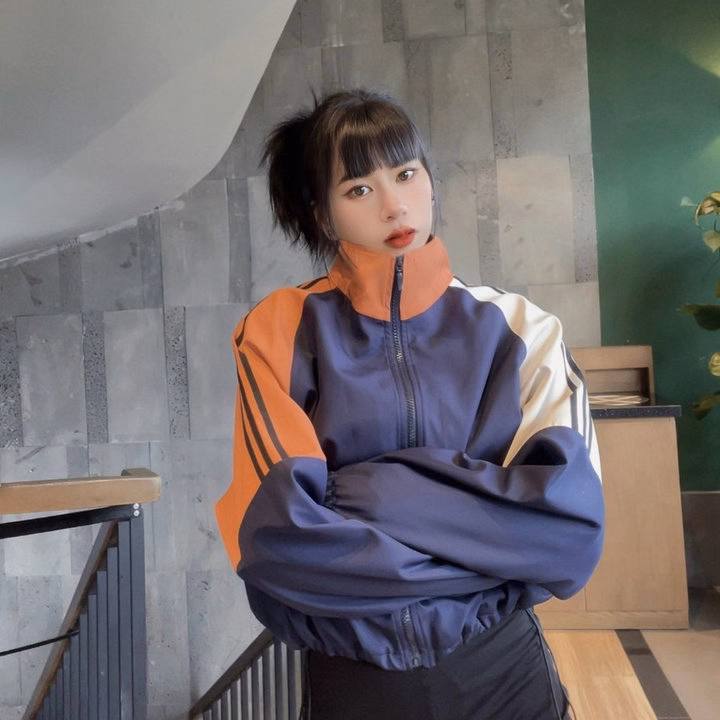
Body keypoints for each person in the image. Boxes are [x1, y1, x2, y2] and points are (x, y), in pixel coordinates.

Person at [215, 88, 604, 720]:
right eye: (358, 188)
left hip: (503, 674)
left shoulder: (522, 328)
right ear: (323, 215)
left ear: (430, 180)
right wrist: (483, 540)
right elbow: (277, 546)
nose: (394, 204)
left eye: (405, 173)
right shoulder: (278, 331)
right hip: (357, 682)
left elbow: (570, 533)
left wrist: (365, 493)